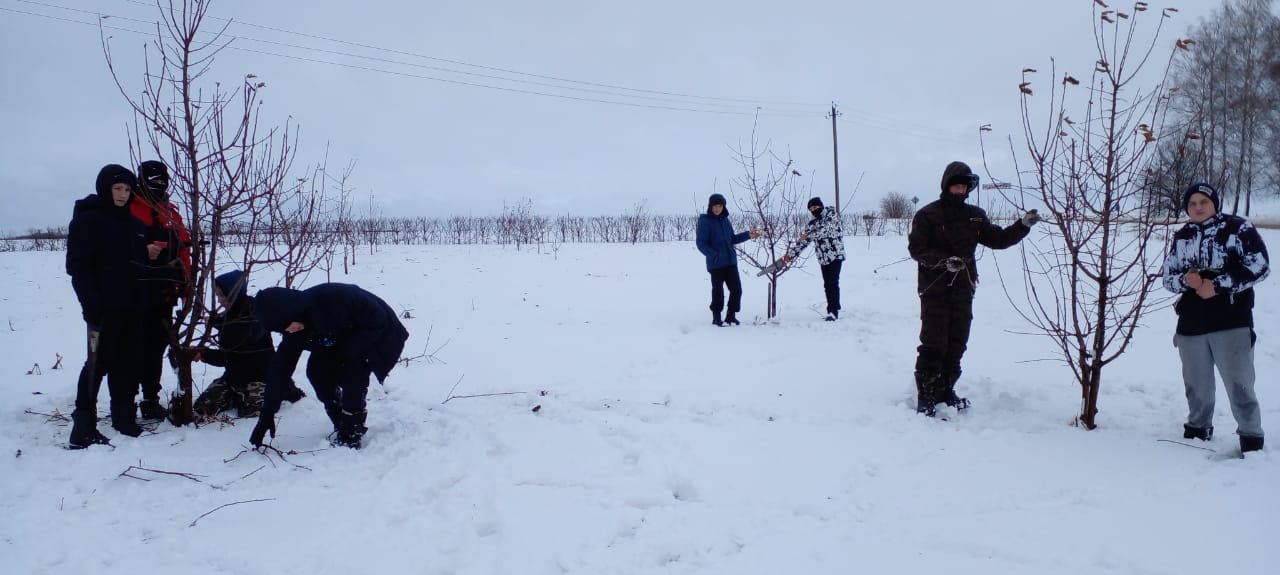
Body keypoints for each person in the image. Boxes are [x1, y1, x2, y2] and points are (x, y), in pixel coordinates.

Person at [907, 161, 1039, 417]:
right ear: (946, 185)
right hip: (935, 288)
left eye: (964, 186)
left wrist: (1022, 226)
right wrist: (943, 261)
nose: (960, 190)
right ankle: (926, 395)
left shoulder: (975, 215)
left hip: (964, 288)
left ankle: (946, 390)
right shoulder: (927, 215)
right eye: (956, 185)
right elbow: (917, 250)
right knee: (934, 342)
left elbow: (997, 240)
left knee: (957, 343)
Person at [1161, 182, 1270, 453]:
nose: (1198, 208)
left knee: (1240, 383)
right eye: (1192, 204)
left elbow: (1260, 265)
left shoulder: (1237, 229)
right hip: (1191, 321)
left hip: (1231, 320)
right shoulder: (1182, 236)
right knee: (1196, 383)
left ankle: (1251, 437)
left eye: (1203, 202)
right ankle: (1198, 429)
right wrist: (1186, 280)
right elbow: (1167, 277)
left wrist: (1219, 284)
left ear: (1214, 204)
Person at [249, 283, 409, 449]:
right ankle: (338, 417)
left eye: (285, 327)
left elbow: (378, 319)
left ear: (290, 314)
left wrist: (347, 351)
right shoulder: (294, 328)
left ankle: (351, 429)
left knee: (352, 372)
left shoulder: (332, 301)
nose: (287, 331)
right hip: (340, 337)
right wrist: (266, 414)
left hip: (381, 332)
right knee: (316, 371)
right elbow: (281, 369)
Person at [65, 164, 149, 447]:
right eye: (117, 188)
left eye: (127, 189)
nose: (123, 194)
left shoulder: (135, 225)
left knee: (127, 362)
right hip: (103, 307)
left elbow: (137, 267)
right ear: (105, 188)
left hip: (132, 307)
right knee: (97, 363)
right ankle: (84, 425)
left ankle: (123, 417)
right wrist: (90, 303)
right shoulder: (89, 221)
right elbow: (78, 267)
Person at [191, 270, 305, 418]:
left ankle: (284, 389)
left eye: (221, 295)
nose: (219, 301)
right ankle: (237, 396)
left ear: (233, 293)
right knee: (203, 407)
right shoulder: (237, 312)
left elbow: (230, 354)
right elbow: (230, 325)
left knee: (253, 412)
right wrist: (217, 322)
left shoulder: (253, 316)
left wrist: (203, 354)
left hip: (261, 377)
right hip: (234, 377)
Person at [130, 160, 192, 421]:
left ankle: (149, 399)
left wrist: (187, 280)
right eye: (153, 182)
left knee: (155, 348)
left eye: (162, 182)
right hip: (134, 294)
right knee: (132, 348)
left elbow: (184, 248)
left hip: (165, 293)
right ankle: (125, 401)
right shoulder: (129, 209)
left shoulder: (170, 212)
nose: (159, 186)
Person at [696, 193, 760, 326]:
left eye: (720, 205)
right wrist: (714, 254)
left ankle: (731, 316)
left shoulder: (725, 220)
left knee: (737, 290)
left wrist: (748, 234)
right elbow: (701, 243)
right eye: (715, 205)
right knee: (718, 291)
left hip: (730, 262)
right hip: (716, 263)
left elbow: (733, 239)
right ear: (710, 206)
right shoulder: (705, 221)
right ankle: (716, 317)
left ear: (723, 206)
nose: (717, 208)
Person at [779, 197, 846, 321]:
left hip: (836, 255)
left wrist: (809, 234)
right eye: (810, 209)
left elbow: (825, 230)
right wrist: (790, 255)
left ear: (820, 206)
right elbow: (804, 242)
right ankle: (832, 308)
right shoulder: (812, 224)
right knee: (827, 284)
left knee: (832, 282)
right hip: (823, 258)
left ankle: (833, 311)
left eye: (815, 207)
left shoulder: (831, 216)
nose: (813, 210)